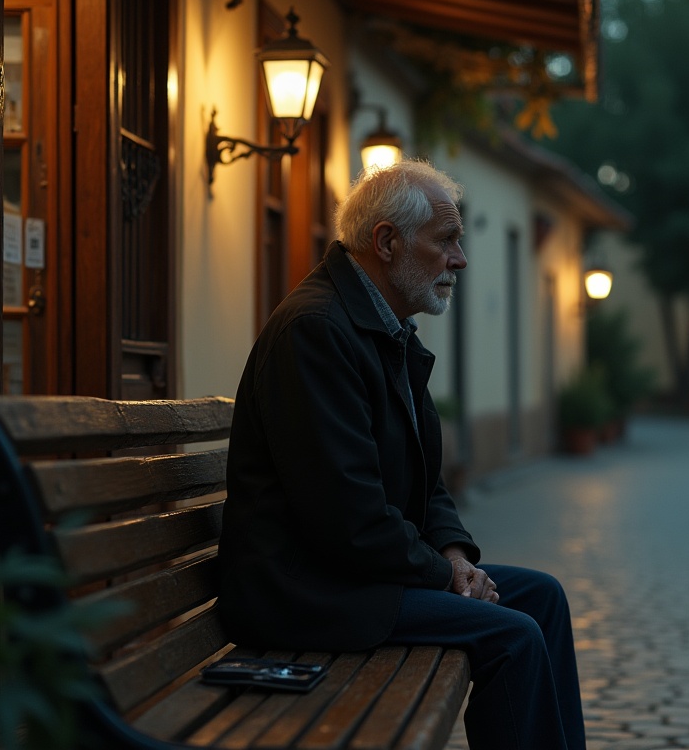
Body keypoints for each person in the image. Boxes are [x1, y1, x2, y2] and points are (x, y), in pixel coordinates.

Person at [217, 160, 586, 749]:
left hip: (358, 578)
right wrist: (447, 576)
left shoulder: (383, 328)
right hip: (305, 593)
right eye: (446, 240)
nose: (460, 259)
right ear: (387, 242)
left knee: (542, 598)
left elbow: (427, 480)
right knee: (513, 635)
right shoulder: (315, 331)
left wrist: (454, 553)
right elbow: (346, 517)